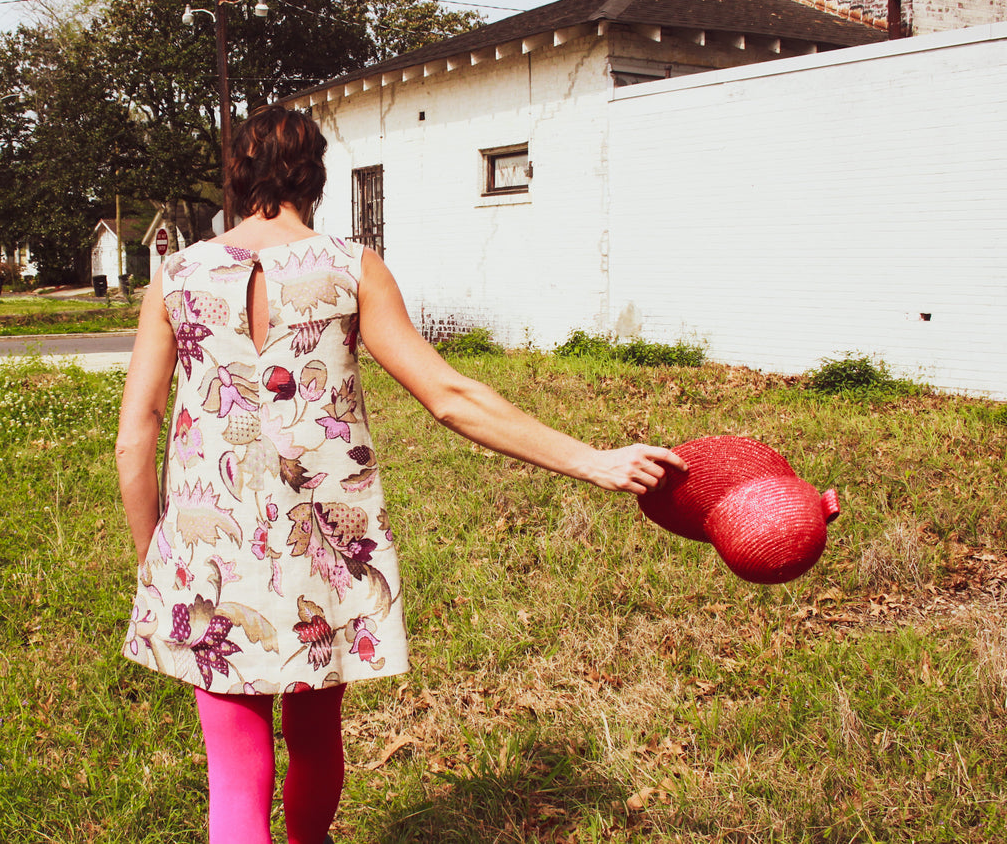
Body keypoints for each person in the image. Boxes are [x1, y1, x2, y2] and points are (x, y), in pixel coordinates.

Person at [114, 104, 685, 844]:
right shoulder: (351, 266)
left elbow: (135, 439)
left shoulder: (177, 275)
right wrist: (591, 459)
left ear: (234, 173)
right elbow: (450, 396)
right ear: (314, 176)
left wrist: (153, 563)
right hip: (320, 550)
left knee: (233, 768)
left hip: (204, 553)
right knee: (316, 737)